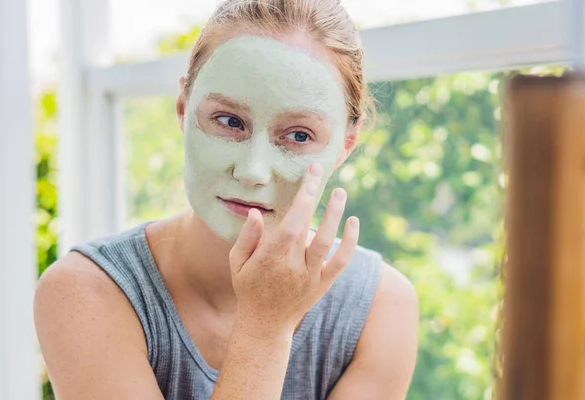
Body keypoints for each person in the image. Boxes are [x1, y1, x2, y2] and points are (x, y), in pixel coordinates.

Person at [34, 0, 419, 399]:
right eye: (229, 121)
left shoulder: (382, 306)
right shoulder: (85, 292)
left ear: (345, 146)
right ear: (183, 110)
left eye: (299, 136)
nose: (252, 171)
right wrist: (265, 327)